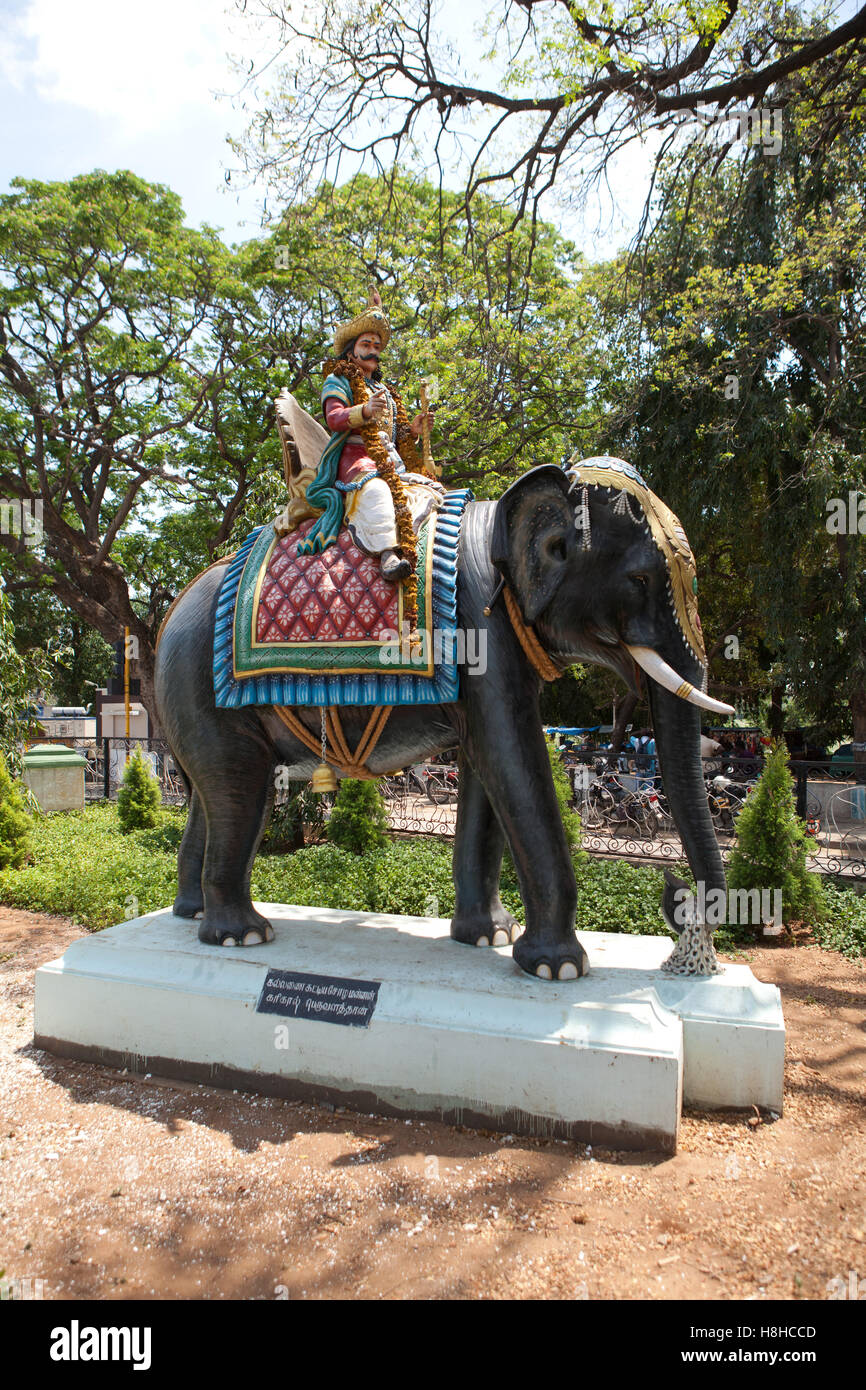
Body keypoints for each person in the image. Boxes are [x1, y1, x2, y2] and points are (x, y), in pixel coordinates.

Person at [298, 291, 445, 580]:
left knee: (430, 490)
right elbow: (334, 418)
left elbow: (394, 434)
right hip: (356, 462)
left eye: (376, 346)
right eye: (366, 344)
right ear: (350, 351)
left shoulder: (387, 391)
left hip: (391, 462)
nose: (373, 351)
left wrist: (413, 432)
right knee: (376, 491)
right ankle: (388, 554)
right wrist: (363, 411)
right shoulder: (338, 379)